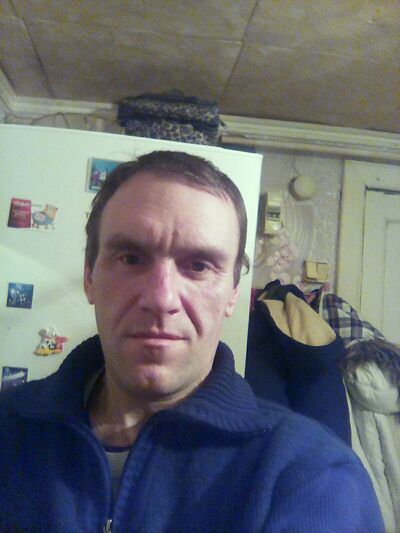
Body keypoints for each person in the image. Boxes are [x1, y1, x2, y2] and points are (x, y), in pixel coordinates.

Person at [0, 151, 383, 532]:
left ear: (233, 292)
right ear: (89, 276)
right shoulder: (8, 429)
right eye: (131, 258)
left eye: (199, 266)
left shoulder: (314, 477)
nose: (161, 298)